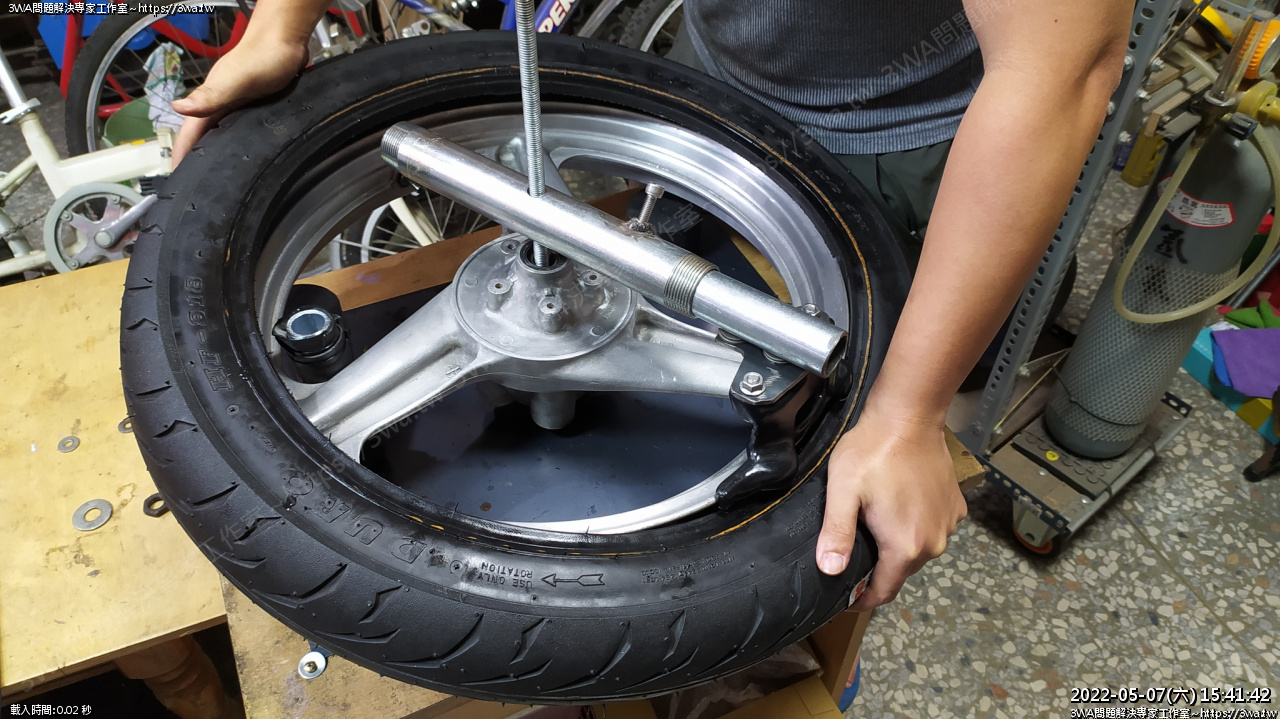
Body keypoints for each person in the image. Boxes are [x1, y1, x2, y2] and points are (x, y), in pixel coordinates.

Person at [170, 0, 1132, 612]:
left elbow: (1060, 67)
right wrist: (281, 30)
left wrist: (909, 415)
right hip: (719, 75)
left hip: (914, 146)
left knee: (864, 460)